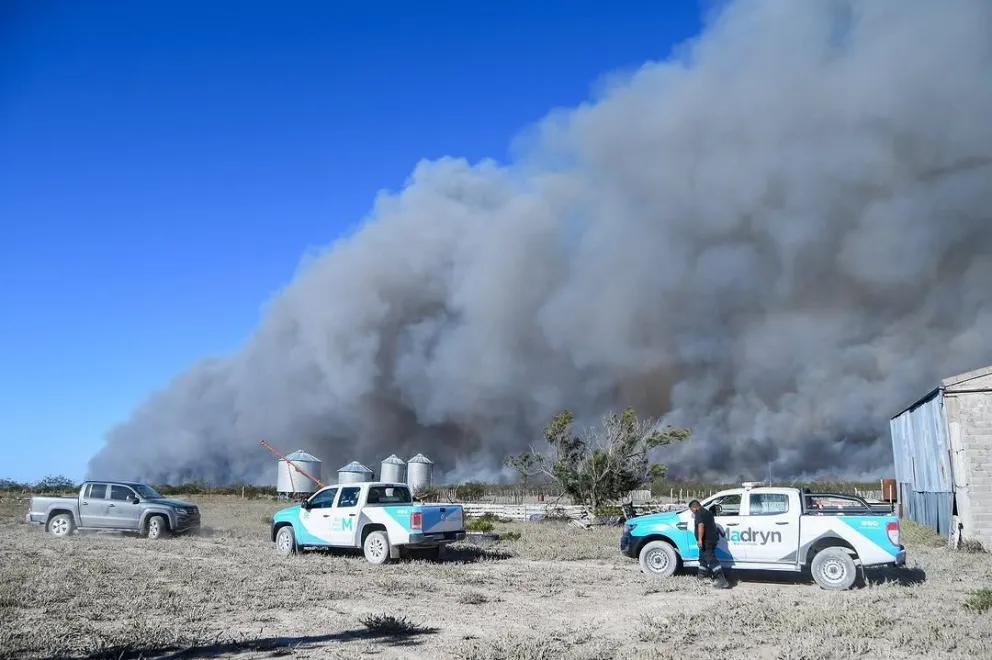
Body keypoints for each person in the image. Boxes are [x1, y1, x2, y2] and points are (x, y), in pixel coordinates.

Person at [688, 500, 730, 589]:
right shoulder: (708, 512)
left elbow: (701, 525)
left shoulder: (699, 513)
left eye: (691, 510)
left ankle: (722, 580)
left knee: (711, 559)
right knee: (703, 559)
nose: (692, 512)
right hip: (712, 539)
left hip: (706, 540)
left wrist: (700, 540)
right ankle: (701, 577)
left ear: (694, 508)